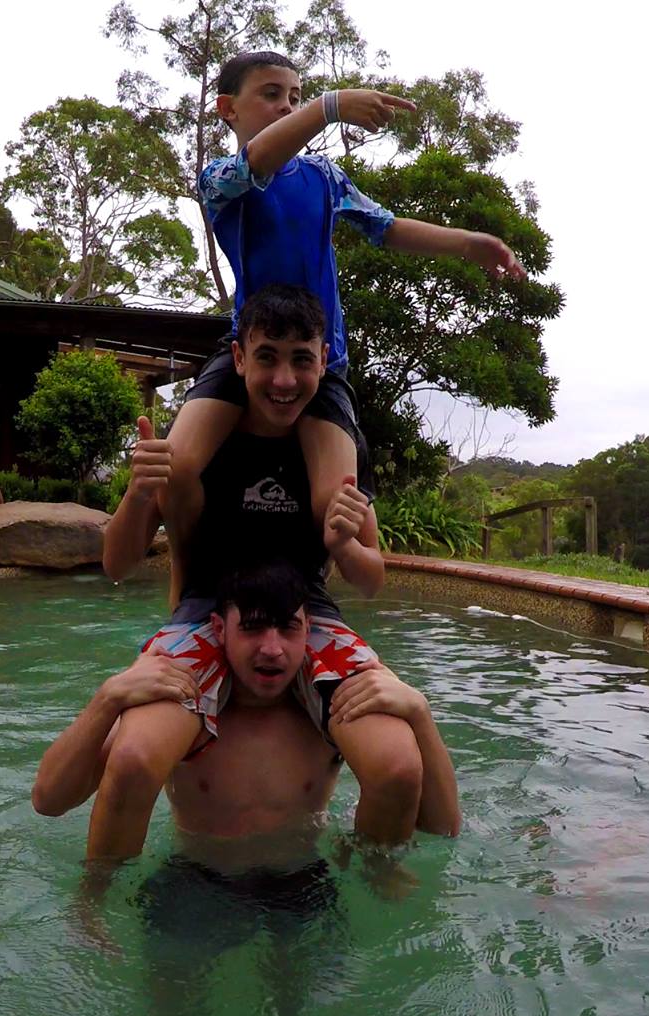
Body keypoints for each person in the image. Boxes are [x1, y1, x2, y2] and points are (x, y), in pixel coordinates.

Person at [91, 286, 429, 861]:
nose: (284, 379)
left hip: (306, 613)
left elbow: (372, 582)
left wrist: (345, 543)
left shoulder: (334, 454)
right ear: (239, 357)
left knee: (397, 766)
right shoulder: (198, 451)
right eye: (267, 356)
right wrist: (136, 494)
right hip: (207, 608)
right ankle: (92, 902)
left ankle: (369, 881)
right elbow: (117, 565)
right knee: (129, 758)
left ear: (324, 361)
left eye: (302, 360)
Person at [32, 561, 458, 1016]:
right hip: (196, 881)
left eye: (287, 629)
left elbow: (444, 827)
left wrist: (420, 711)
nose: (272, 649)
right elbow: (49, 798)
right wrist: (109, 697)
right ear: (220, 629)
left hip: (302, 881)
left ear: (308, 629)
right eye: (252, 629)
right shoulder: (184, 707)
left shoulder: (331, 707)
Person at [165, 49, 528, 572]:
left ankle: (314, 603)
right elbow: (258, 162)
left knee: (334, 508)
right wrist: (328, 106)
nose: (287, 107)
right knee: (177, 470)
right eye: (271, 95)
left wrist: (469, 244)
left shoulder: (324, 178)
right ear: (227, 109)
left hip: (322, 366)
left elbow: (386, 227)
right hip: (247, 355)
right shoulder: (219, 178)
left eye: (293, 96)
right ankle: (185, 587)